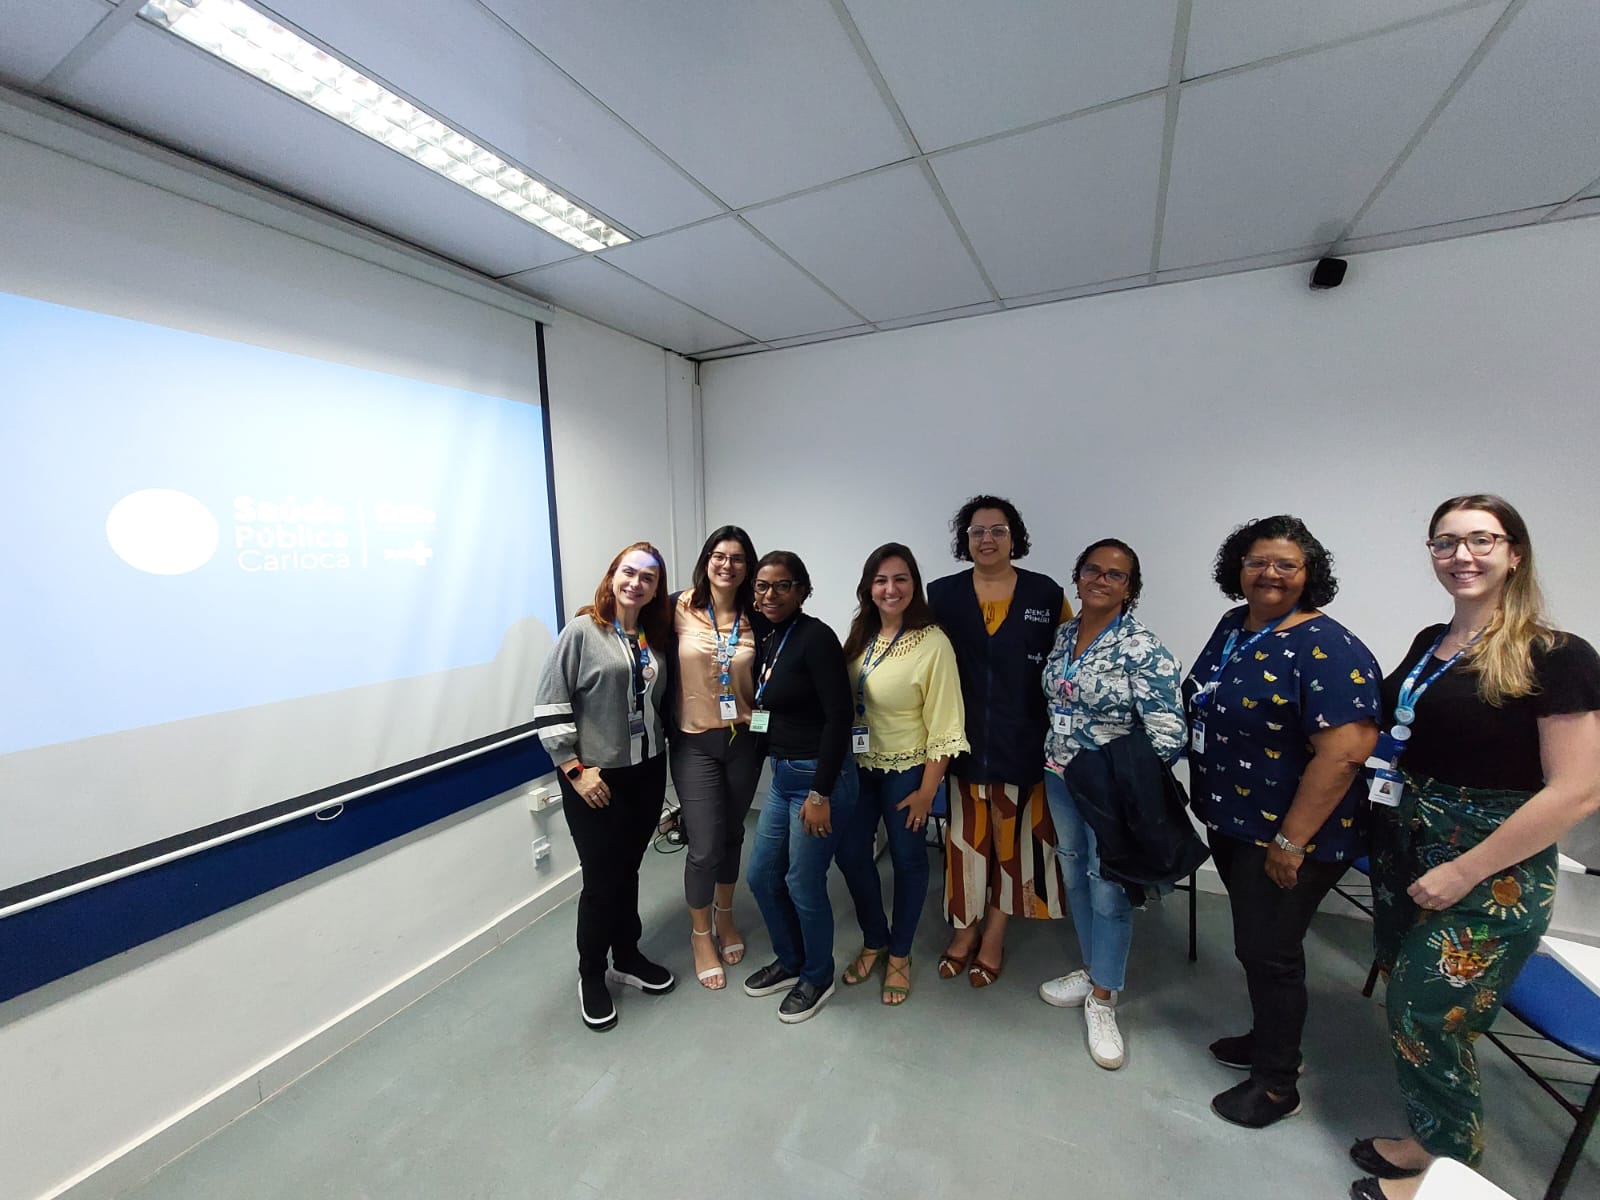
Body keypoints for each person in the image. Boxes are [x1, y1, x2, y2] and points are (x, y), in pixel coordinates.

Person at [1349, 496, 1600, 1200]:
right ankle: (1430, 1141)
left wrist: (1465, 869)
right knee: (1408, 994)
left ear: (1515, 553)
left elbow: (1578, 791)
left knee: (1427, 1010)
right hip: (1407, 840)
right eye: (1445, 542)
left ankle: (1449, 1169)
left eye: (1481, 540)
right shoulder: (1435, 639)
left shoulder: (1560, 655)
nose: (1462, 555)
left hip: (1492, 865)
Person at [1184, 515, 1379, 1127]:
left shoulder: (1328, 648)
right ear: (1236, 570)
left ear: (1309, 573)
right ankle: (1265, 1042)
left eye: (1285, 564)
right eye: (1256, 562)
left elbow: (1344, 754)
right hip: (1235, 820)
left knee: (1271, 952)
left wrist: (1290, 841)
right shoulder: (1233, 625)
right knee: (1254, 944)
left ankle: (1276, 1084)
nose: (1269, 573)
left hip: (1290, 834)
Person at [1037, 538, 1186, 1070]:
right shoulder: (1062, 637)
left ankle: (1104, 997)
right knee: (1074, 874)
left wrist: (1114, 774)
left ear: (1130, 588)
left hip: (1110, 793)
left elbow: (1170, 731)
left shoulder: (1143, 648)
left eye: (1114, 575)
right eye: (1091, 571)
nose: (1100, 581)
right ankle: (1090, 967)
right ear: (1077, 577)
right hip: (1058, 780)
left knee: (1109, 889)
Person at [534, 542, 678, 1032]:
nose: (637, 583)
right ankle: (591, 974)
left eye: (649, 578)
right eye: (629, 572)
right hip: (595, 776)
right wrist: (575, 770)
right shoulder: (582, 631)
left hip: (646, 769)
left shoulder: (653, 638)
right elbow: (549, 706)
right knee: (600, 880)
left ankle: (627, 955)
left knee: (630, 869)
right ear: (612, 575)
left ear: (658, 589)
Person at [928, 495, 1070, 987]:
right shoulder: (940, 595)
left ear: (1015, 538)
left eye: (998, 530)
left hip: (1023, 749)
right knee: (965, 847)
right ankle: (963, 931)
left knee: (1014, 851)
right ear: (964, 540)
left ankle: (993, 935)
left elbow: (1069, 665)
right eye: (976, 531)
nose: (987, 539)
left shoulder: (1047, 595)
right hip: (962, 748)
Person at [835, 544, 968, 1006]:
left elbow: (946, 725)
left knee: (910, 861)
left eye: (900, 579)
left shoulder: (933, 642)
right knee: (851, 853)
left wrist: (926, 792)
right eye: (881, 580)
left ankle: (901, 953)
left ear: (914, 585)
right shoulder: (861, 633)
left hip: (908, 770)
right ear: (868, 588)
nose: (890, 589)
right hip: (859, 768)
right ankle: (876, 938)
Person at [742, 551, 859, 1023]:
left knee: (802, 881)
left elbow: (839, 717)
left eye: (782, 586)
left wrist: (820, 794)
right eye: (763, 587)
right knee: (760, 876)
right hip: (783, 776)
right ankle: (790, 961)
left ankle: (818, 974)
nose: (771, 595)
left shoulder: (817, 638)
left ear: (803, 590)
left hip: (817, 779)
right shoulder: (770, 636)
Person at [668, 526, 763, 991]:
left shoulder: (757, 616)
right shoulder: (676, 608)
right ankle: (701, 935)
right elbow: (627, 628)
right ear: (706, 559)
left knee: (731, 835)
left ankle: (726, 919)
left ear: (749, 566)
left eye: (739, 558)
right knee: (703, 846)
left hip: (743, 740)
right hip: (694, 743)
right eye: (719, 556)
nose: (728, 565)